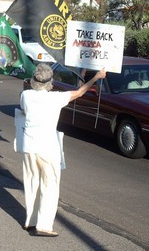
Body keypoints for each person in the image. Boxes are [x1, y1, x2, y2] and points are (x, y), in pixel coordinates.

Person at [19, 63, 106, 237]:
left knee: (31, 183)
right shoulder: (55, 98)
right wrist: (96, 78)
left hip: (28, 145)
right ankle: (44, 225)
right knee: (49, 185)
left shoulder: (26, 95)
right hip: (47, 146)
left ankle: (31, 220)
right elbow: (80, 92)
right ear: (50, 81)